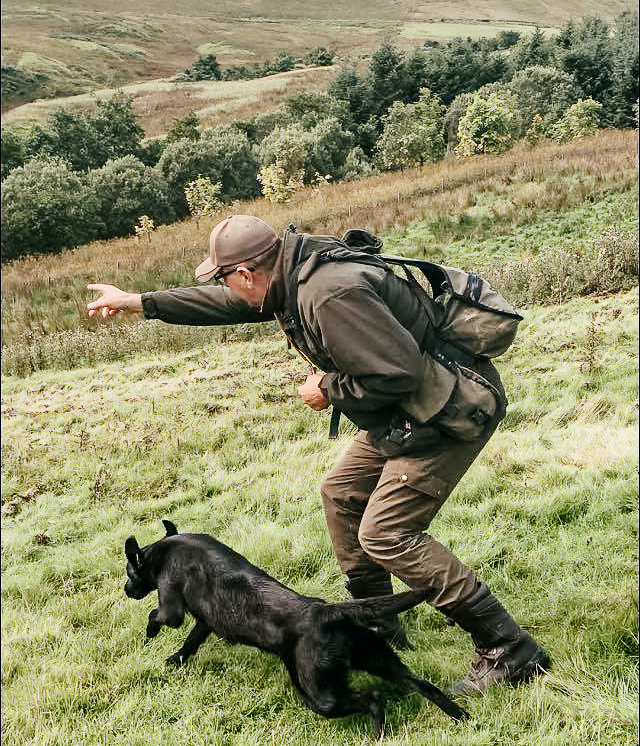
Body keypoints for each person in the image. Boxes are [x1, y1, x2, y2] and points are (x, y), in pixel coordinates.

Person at [87, 214, 549, 694]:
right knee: (342, 493)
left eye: (227, 277)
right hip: (403, 414)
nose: (229, 289)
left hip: (443, 414)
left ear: (247, 273)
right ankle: (377, 628)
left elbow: (401, 371)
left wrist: (327, 388)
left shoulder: (328, 295)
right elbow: (229, 304)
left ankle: (509, 649)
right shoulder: (292, 272)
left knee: (387, 532)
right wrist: (140, 302)